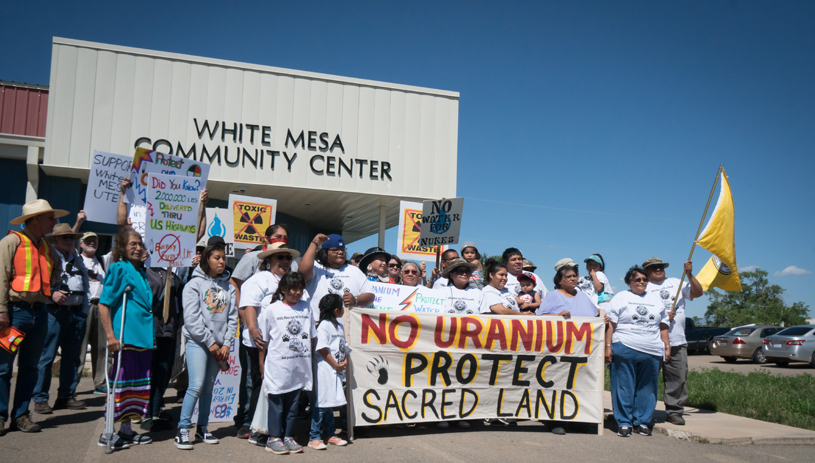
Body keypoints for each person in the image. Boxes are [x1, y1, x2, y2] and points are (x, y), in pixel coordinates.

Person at [0, 199, 64, 435]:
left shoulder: (47, 247)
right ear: (35, 220)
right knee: (4, 369)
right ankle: (0, 415)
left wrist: (49, 288)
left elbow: (58, 269)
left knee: (29, 368)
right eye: (50, 217)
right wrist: (1, 310)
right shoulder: (11, 242)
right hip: (14, 314)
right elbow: (0, 277)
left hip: (39, 313)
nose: (54, 221)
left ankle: (21, 416)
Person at [175, 236, 238, 450]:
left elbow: (232, 318)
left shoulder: (228, 287)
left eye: (223, 258)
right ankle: (183, 429)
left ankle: (202, 428)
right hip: (199, 343)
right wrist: (210, 342)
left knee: (209, 389)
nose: (222, 262)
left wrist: (227, 344)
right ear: (206, 259)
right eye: (217, 258)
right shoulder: (194, 285)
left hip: (219, 346)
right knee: (196, 385)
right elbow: (192, 319)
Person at [230, 223, 291, 438]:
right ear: (269, 260)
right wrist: (253, 328)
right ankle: (246, 421)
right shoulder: (257, 279)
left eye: (287, 258)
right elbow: (249, 306)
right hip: (256, 340)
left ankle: (268, 422)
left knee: (272, 382)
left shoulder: (290, 282)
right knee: (252, 381)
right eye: (279, 258)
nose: (284, 262)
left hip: (279, 342)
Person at [97, 227, 154, 449]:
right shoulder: (119, 268)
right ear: (121, 247)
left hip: (143, 339)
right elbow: (104, 303)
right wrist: (111, 336)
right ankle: (107, 432)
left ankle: (127, 430)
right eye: (133, 244)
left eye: (140, 244)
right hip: (126, 338)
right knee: (120, 385)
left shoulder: (140, 271)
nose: (138, 247)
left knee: (135, 387)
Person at [605, 266, 670, 438]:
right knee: (624, 387)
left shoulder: (655, 299)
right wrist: (608, 346)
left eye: (644, 279)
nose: (642, 282)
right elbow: (611, 323)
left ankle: (642, 421)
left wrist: (667, 346)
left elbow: (663, 324)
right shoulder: (621, 297)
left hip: (652, 349)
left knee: (647, 388)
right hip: (625, 346)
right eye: (637, 279)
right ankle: (624, 422)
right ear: (629, 282)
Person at [32, 223, 89, 414]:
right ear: (55, 240)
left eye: (70, 237)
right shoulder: (47, 258)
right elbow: (37, 282)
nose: (68, 240)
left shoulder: (77, 259)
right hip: (54, 313)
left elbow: (86, 285)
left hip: (76, 313)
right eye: (64, 237)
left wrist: (84, 311)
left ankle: (66, 396)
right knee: (46, 357)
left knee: (72, 358)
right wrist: (52, 295)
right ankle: (40, 398)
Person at [258, 272, 315, 455]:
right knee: (277, 402)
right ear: (283, 289)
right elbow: (263, 341)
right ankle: (274, 438)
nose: (297, 292)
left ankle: (288, 436)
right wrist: (262, 365)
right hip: (277, 365)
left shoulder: (307, 308)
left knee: (293, 404)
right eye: (293, 289)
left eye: (300, 288)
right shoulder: (272, 309)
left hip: (299, 366)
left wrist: (308, 360)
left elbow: (311, 337)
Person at [642, 257, 702, 426]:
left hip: (677, 341)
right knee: (648, 378)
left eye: (660, 267)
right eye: (653, 267)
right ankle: (644, 412)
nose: (658, 269)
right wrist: (661, 317)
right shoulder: (643, 287)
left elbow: (698, 293)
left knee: (678, 377)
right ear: (646, 271)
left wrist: (689, 275)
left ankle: (674, 411)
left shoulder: (678, 282)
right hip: (652, 341)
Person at [299, 234, 375, 323]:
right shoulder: (316, 267)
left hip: (349, 329)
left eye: (343, 250)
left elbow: (370, 295)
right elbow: (302, 272)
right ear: (325, 252)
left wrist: (355, 300)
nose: (340, 252)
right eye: (335, 250)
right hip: (319, 328)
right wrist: (314, 244)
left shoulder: (354, 271)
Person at [307, 294, 349, 449]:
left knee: (330, 402)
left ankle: (331, 434)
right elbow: (323, 349)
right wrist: (335, 364)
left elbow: (341, 345)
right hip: (324, 369)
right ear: (336, 309)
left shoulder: (339, 326)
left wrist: (343, 361)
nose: (344, 309)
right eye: (342, 307)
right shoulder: (324, 325)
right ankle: (314, 436)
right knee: (321, 403)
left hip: (335, 370)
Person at [144, 265, 182, 430]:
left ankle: (156, 412)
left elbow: (181, 295)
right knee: (150, 372)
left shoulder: (171, 275)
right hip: (150, 330)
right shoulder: (143, 272)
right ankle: (146, 412)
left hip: (169, 330)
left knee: (164, 372)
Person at [78, 231, 109, 395]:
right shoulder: (77, 260)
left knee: (101, 346)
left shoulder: (103, 261)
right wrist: (78, 222)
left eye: (95, 241)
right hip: (84, 307)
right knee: (80, 347)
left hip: (101, 307)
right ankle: (71, 386)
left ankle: (100, 382)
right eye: (88, 241)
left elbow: (118, 248)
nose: (92, 243)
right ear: (81, 244)